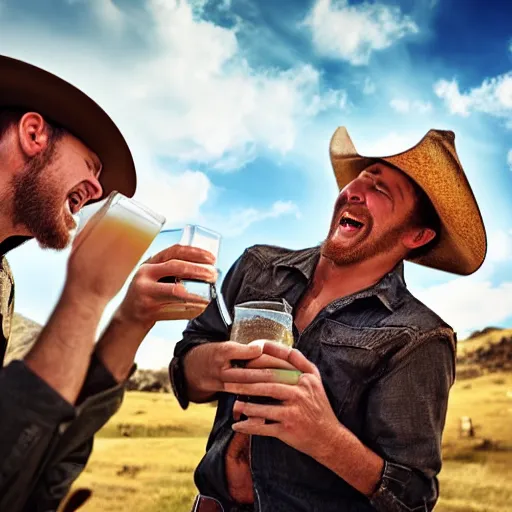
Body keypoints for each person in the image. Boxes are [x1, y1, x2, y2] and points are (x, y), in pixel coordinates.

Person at [169, 126, 487, 512]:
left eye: (381, 191)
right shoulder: (257, 267)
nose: (355, 191)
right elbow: (186, 371)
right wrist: (218, 364)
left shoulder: (419, 336)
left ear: (417, 235)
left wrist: (325, 437)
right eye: (361, 178)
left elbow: (412, 497)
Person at [0, 55, 217, 512]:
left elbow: (32, 468)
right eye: (91, 165)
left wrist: (132, 317)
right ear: (34, 133)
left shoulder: (3, 281)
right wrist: (84, 297)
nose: (97, 191)